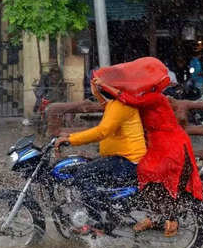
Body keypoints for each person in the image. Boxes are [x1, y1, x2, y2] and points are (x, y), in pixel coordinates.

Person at [91, 57, 203, 238]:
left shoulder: (154, 98)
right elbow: (116, 105)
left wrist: (106, 85)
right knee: (145, 175)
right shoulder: (143, 97)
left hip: (170, 141)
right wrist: (99, 92)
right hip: (158, 142)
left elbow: (129, 101)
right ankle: (154, 215)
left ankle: (169, 217)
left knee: (158, 173)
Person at [55, 80, 147, 233]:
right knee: (91, 176)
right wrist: (96, 92)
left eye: (102, 85)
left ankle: (96, 222)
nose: (100, 87)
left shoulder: (121, 106)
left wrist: (71, 139)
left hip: (127, 160)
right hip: (119, 157)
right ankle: (108, 213)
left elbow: (101, 131)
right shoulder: (116, 104)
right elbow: (106, 104)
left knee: (82, 175)